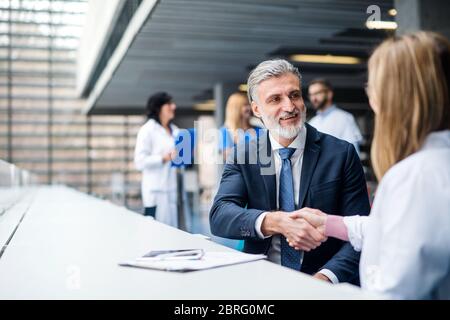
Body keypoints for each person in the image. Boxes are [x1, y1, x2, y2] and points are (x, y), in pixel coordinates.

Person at [295, 32, 450, 299]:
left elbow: (392, 291)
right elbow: (404, 231)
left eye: (373, 86)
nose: (370, 97)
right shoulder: (432, 165)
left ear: (396, 97)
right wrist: (333, 224)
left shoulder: (415, 177)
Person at [209, 59, 370, 284]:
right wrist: (276, 222)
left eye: (294, 95)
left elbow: (360, 233)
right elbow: (220, 215)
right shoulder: (245, 155)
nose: (289, 106)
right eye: (275, 99)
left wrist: (325, 278)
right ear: (256, 109)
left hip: (324, 281)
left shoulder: (341, 154)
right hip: (261, 279)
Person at [134, 92, 179, 227]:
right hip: (155, 191)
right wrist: (163, 158)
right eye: (169, 104)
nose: (174, 106)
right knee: (156, 232)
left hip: (171, 189)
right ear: (158, 108)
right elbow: (139, 161)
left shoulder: (175, 130)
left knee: (173, 233)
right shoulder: (147, 130)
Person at [308, 78, 363, 154]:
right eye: (311, 95)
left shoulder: (345, 118)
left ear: (329, 94)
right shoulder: (312, 123)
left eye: (317, 93)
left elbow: (353, 152)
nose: (313, 98)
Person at [219, 92, 260, 161]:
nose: (249, 108)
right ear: (236, 109)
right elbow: (229, 157)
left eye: (249, 104)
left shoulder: (258, 129)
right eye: (245, 105)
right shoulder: (225, 131)